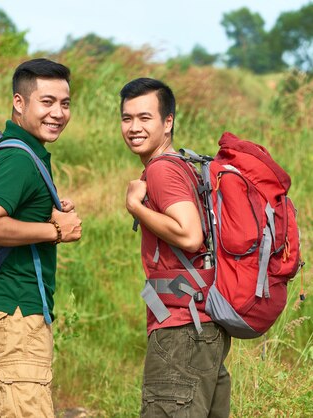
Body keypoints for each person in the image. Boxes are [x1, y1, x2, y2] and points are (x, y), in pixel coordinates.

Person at [0, 58, 82, 418]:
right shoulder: (18, 159)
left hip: (3, 313)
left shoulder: (20, 150)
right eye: (46, 102)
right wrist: (56, 230)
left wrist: (44, 210)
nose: (58, 113)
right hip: (14, 316)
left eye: (64, 103)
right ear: (20, 103)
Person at [121, 77, 232, 417]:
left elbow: (189, 235)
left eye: (145, 118)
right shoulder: (186, 166)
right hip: (203, 328)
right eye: (127, 118)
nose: (134, 127)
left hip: (182, 329)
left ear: (167, 122)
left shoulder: (161, 171)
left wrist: (136, 207)